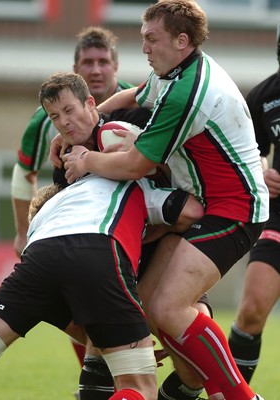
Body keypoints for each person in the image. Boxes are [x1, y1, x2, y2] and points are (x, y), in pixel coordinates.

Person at [61, 1, 269, 399]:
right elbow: (136, 95)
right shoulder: (176, 71)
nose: (143, 48)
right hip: (203, 203)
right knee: (149, 305)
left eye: (150, 39)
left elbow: (136, 164)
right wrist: (89, 121)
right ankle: (189, 387)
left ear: (181, 40)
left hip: (236, 209)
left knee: (168, 308)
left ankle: (240, 395)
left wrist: (87, 159)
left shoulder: (188, 92)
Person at [0, 116, 204, 400]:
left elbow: (74, 318)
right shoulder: (132, 186)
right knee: (139, 386)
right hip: (96, 252)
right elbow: (191, 212)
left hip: (38, 255)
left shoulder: (54, 205)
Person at [11, 25, 134, 258]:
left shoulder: (138, 103)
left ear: (116, 66)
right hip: (83, 228)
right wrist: (22, 232)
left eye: (103, 62)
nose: (96, 70)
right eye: (88, 63)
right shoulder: (44, 119)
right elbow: (24, 172)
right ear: (76, 69)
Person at [228, 24, 280, 384]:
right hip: (277, 219)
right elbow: (244, 153)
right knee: (250, 312)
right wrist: (261, 172)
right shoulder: (265, 95)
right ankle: (231, 393)